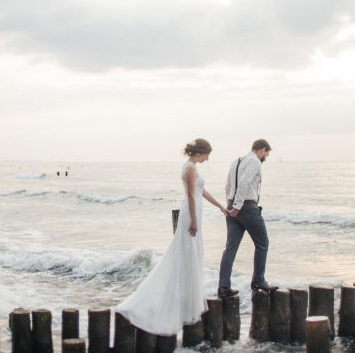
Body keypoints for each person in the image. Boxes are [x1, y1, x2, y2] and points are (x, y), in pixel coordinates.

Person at [115, 139, 228, 336]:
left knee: (191, 254)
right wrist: (193, 220)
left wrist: (219, 206)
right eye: (208, 154)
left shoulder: (192, 166)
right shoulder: (190, 168)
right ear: (201, 152)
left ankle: (186, 297)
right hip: (190, 215)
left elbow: (201, 192)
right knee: (186, 254)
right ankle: (177, 299)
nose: (209, 158)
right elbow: (191, 196)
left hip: (195, 213)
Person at [218, 138, 277, 297]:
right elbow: (244, 183)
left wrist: (230, 204)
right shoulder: (255, 161)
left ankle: (223, 287)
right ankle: (258, 281)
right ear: (262, 150)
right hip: (246, 206)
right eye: (266, 153)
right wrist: (237, 207)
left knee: (230, 247)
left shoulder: (236, 161)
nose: (265, 157)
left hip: (232, 204)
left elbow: (228, 186)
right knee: (262, 243)